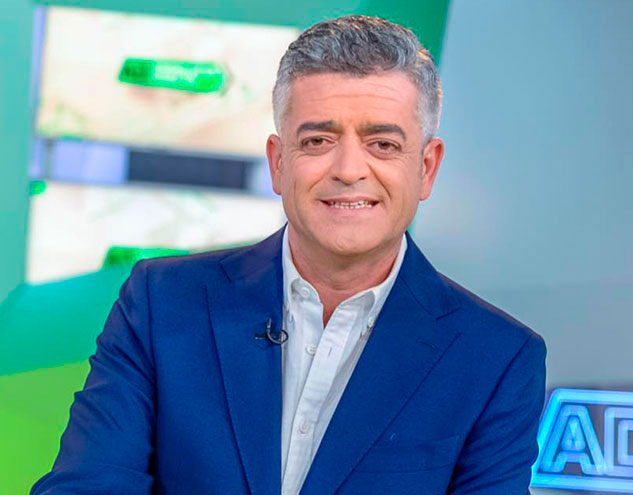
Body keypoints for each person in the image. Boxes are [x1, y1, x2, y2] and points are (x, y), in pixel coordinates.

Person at [31, 15, 546, 495]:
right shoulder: (160, 303)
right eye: (318, 140)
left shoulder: (497, 358)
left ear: (427, 168)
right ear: (279, 163)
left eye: (383, 145)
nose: (349, 169)